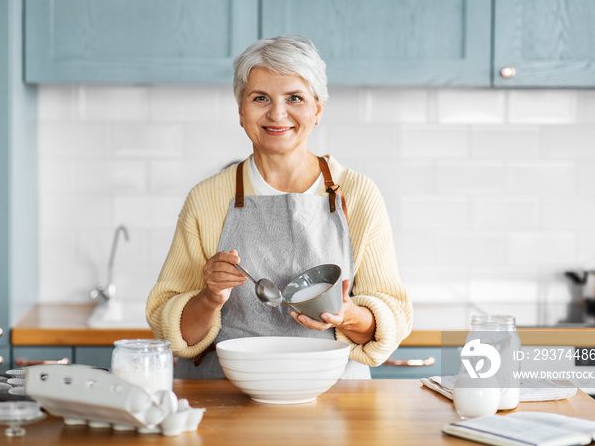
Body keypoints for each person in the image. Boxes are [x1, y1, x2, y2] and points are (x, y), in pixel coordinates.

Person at [146, 35, 412, 379]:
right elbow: (172, 331)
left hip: (331, 398)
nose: (277, 113)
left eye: (295, 98)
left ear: (317, 109)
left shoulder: (358, 195)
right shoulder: (207, 198)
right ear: (242, 111)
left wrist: (347, 315)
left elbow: (390, 317)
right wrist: (210, 298)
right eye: (260, 98)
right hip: (225, 395)